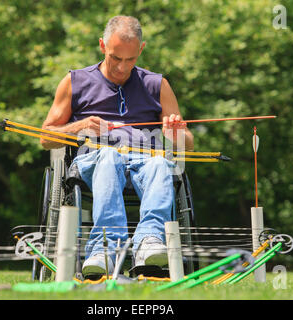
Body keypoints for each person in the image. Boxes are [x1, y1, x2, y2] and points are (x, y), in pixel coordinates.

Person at [40, 15, 194, 277]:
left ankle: (149, 242)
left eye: (130, 60)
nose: (122, 68)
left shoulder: (157, 85)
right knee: (109, 157)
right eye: (115, 58)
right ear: (102, 46)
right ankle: (105, 248)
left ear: (141, 50)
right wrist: (78, 126)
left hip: (146, 161)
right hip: (95, 161)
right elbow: (46, 137)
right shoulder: (75, 81)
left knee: (161, 163)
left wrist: (176, 133)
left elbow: (187, 144)